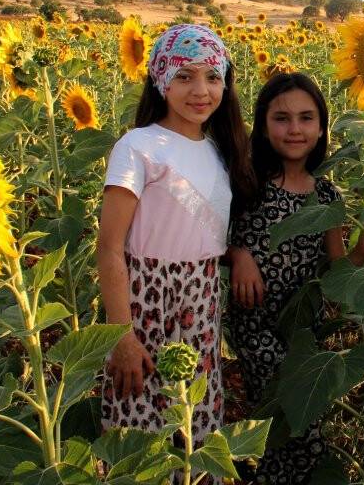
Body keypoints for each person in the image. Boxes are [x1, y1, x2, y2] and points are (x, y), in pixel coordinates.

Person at [96, 24, 258, 475]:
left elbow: (205, 234)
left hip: (201, 306)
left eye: (212, 76)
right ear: (161, 79)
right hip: (145, 305)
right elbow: (109, 248)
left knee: (195, 432)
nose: (201, 90)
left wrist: (239, 254)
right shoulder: (139, 146)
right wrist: (120, 336)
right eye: (184, 76)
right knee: (141, 438)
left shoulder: (221, 150)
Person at [223, 72, 364, 484]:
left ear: (321, 128)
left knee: (291, 428)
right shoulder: (247, 182)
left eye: (306, 118)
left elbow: (335, 271)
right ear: (263, 125)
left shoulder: (328, 196)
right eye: (281, 118)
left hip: (306, 331)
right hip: (256, 326)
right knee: (291, 418)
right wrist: (238, 253)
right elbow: (208, 239)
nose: (294, 129)